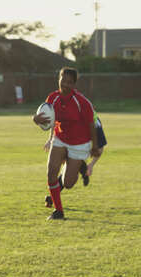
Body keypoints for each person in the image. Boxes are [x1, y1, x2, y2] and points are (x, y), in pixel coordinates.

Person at [33, 67, 101, 220]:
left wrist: (95, 146)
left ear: (74, 84)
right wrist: (35, 119)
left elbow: (91, 125)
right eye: (63, 80)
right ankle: (58, 211)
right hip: (60, 138)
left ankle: (76, 164)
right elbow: (46, 119)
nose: (65, 84)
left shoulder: (82, 102)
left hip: (79, 143)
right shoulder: (52, 98)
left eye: (70, 82)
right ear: (59, 79)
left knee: (68, 183)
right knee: (51, 172)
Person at [42, 114, 107, 208]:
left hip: (83, 143)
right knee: (67, 161)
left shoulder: (95, 124)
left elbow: (100, 147)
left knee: (71, 167)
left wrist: (91, 165)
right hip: (71, 137)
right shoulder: (69, 116)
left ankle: (52, 198)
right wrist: (50, 139)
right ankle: (53, 198)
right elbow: (56, 121)